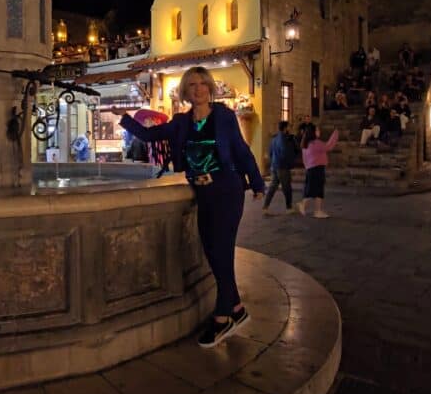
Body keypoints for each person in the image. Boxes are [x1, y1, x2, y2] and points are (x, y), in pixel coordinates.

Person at [116, 66, 265, 348]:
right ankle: (237, 308)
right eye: (192, 85)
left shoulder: (224, 116)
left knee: (221, 253)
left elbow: (240, 149)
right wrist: (124, 119)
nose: (198, 89)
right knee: (212, 252)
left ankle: (222, 320)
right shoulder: (182, 122)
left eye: (202, 84)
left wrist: (257, 183)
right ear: (185, 91)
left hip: (226, 189)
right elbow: (151, 136)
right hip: (202, 192)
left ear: (210, 88)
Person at [298, 123, 339, 219]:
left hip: (311, 169)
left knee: (315, 190)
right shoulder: (316, 143)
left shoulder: (306, 143)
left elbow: (304, 159)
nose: (319, 131)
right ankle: (308, 206)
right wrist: (335, 134)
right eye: (317, 130)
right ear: (313, 132)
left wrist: (307, 166)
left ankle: (317, 210)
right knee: (316, 190)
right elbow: (329, 146)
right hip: (317, 169)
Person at [264, 120, 298, 215]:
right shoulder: (284, 139)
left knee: (273, 187)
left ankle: (265, 207)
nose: (290, 129)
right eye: (289, 127)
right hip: (282, 166)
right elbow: (286, 152)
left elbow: (270, 152)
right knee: (287, 187)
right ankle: (289, 207)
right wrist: (290, 162)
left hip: (274, 165)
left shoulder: (274, 138)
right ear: (285, 128)